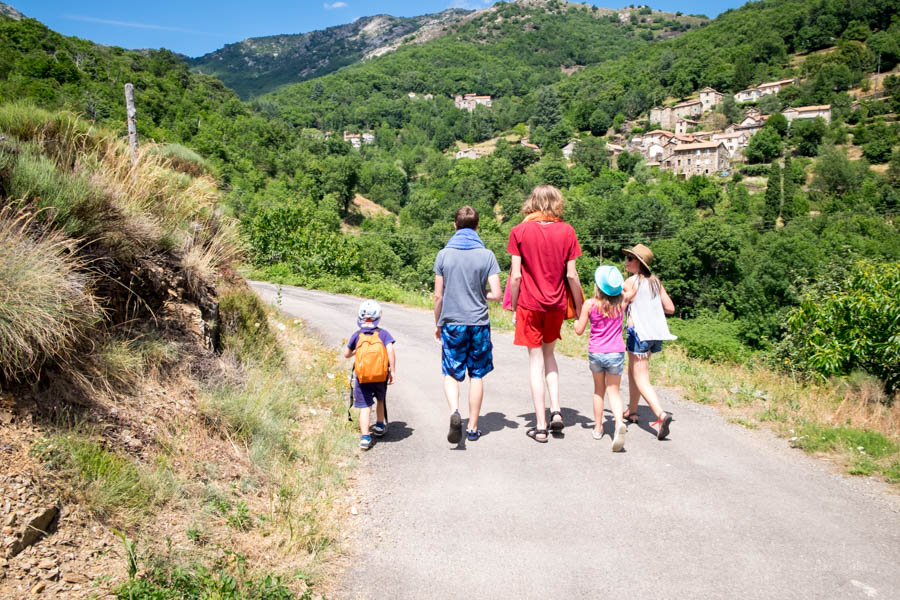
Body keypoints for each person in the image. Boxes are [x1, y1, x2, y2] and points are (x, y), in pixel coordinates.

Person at [507, 185, 584, 443]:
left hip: (529, 304)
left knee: (535, 361)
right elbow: (572, 275)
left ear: (532, 203)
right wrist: (580, 306)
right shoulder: (568, 231)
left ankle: (540, 425)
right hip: (556, 305)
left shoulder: (518, 231)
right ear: (557, 203)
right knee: (550, 356)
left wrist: (514, 306)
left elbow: (516, 276)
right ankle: (557, 411)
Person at [433, 206, 502, 444]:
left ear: (455, 225)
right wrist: (478, 292)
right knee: (477, 374)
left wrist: (438, 323)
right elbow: (497, 293)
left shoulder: (444, 255)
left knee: (451, 372)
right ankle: (472, 427)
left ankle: (455, 412)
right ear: (477, 226)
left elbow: (438, 296)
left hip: (452, 322)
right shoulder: (487, 255)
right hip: (479, 323)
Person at [621, 244, 676, 440]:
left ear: (640, 263)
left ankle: (660, 416)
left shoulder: (630, 282)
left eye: (630, 259)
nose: (626, 261)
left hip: (639, 334)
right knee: (634, 371)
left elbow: (621, 304)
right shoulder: (655, 282)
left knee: (641, 377)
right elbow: (670, 308)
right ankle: (632, 411)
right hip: (655, 334)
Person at [574, 265, 628, 452]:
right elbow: (631, 290)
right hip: (616, 352)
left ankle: (598, 428)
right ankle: (619, 422)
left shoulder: (590, 304)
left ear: (597, 286)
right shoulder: (622, 302)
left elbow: (579, 330)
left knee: (599, 391)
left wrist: (574, 323)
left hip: (597, 352)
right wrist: (619, 287)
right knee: (614, 391)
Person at [343, 300, 396, 450]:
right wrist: (392, 370)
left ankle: (365, 437)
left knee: (365, 407)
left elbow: (346, 354)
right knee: (380, 399)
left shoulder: (357, 335)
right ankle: (379, 426)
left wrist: (356, 351)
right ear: (378, 317)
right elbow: (390, 350)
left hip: (362, 376)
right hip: (380, 375)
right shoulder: (383, 334)